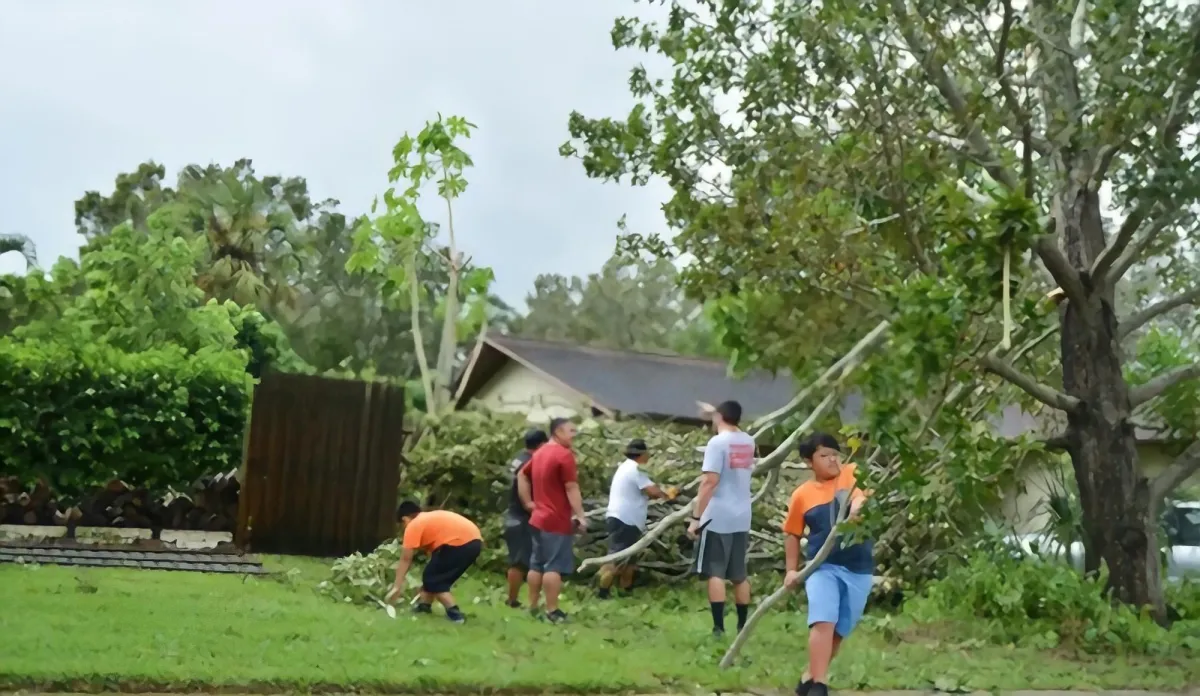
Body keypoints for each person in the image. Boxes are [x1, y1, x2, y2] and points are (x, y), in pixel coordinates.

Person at [782, 432, 872, 696]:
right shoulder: (802, 495)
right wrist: (791, 570)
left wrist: (857, 506)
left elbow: (861, 497)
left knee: (840, 629)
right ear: (810, 462)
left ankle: (809, 677)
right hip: (822, 567)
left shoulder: (852, 473)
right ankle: (819, 685)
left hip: (859, 567)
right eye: (824, 455)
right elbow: (792, 533)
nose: (833, 460)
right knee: (823, 621)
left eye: (835, 454)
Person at [688, 399, 756, 637]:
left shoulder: (717, 444)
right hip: (742, 515)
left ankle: (718, 627)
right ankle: (742, 625)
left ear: (719, 417)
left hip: (718, 515)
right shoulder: (748, 441)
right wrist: (713, 411)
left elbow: (709, 482)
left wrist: (696, 517)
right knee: (739, 574)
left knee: (715, 571)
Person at [520, 417, 587, 623]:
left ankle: (531, 605)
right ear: (558, 432)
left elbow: (522, 475)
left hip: (538, 518)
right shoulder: (563, 455)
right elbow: (571, 487)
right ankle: (552, 610)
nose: (574, 435)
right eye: (571, 431)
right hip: (555, 519)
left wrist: (528, 503)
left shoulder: (539, 452)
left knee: (536, 564)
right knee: (553, 566)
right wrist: (580, 515)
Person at [597, 438, 676, 599]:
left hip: (626, 519)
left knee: (630, 559)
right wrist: (667, 495)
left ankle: (626, 591)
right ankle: (602, 592)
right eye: (647, 453)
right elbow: (652, 491)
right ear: (641, 454)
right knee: (616, 558)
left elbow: (645, 492)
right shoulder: (635, 469)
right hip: (624, 520)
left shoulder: (626, 467)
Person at [385, 501, 483, 624]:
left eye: (401, 525)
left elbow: (405, 559)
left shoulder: (413, 525)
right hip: (474, 541)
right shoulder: (428, 519)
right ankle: (424, 607)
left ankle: (455, 614)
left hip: (459, 543)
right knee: (431, 575)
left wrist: (397, 586)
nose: (403, 529)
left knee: (435, 581)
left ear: (405, 519)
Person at [504, 428, 549, 607]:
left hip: (513, 513)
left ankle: (515, 599)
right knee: (520, 562)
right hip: (523, 517)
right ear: (542, 445)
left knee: (519, 559)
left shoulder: (519, 457)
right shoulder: (532, 463)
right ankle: (513, 600)